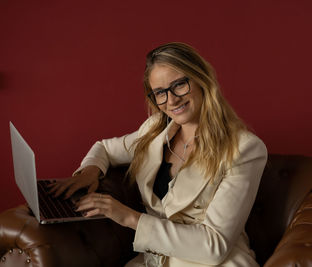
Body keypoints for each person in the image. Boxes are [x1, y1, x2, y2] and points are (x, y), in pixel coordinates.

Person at [49, 42, 268, 267]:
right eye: (160, 93)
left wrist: (129, 218)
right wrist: (89, 173)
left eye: (179, 85)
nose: (171, 100)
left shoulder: (244, 149)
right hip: (156, 259)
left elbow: (215, 246)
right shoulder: (154, 130)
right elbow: (104, 148)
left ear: (202, 80)